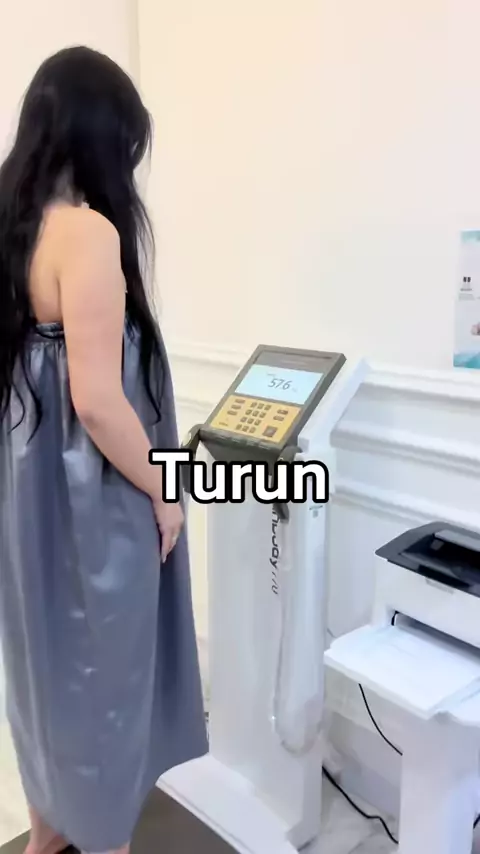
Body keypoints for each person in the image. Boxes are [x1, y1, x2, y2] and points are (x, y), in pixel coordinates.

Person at [0, 46, 208, 854]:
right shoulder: (85, 234)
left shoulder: (14, 231)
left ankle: (47, 834)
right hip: (92, 500)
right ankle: (106, 840)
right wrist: (164, 491)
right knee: (106, 684)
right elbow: (96, 401)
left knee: (43, 665)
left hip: (28, 499)